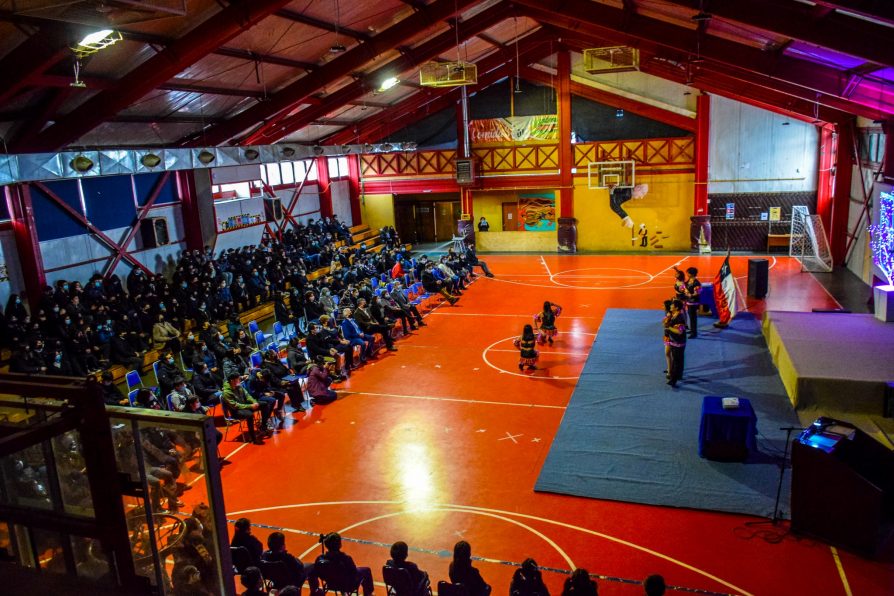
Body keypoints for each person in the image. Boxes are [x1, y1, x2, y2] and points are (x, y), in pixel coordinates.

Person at [308, 532, 374, 596]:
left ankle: (315, 591)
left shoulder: (320, 559)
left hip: (330, 584)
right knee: (366, 570)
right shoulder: (346, 559)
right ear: (339, 545)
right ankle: (368, 594)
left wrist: (315, 588)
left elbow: (315, 573)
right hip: (347, 586)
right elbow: (354, 573)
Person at [221, 372, 271, 444]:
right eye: (238, 379)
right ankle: (253, 438)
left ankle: (263, 426)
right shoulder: (226, 392)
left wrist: (254, 402)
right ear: (232, 381)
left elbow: (247, 395)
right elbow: (235, 405)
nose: (239, 380)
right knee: (250, 415)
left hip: (245, 405)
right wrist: (250, 406)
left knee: (264, 404)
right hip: (236, 411)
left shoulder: (238, 386)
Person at [663, 300, 687, 388]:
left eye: (672, 305)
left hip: (678, 342)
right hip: (676, 341)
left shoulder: (679, 318)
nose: (670, 306)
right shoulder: (674, 315)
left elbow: (679, 331)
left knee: (676, 361)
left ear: (676, 307)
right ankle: (679, 375)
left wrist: (668, 327)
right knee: (679, 360)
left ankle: (673, 380)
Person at [683, 267, 702, 338]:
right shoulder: (689, 280)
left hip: (693, 302)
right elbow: (685, 286)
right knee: (691, 317)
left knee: (693, 318)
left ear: (691, 274)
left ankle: (694, 333)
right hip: (689, 302)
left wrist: (690, 295)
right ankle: (692, 330)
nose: (687, 274)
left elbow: (698, 292)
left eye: (688, 272)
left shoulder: (696, 283)